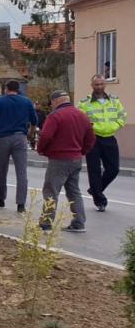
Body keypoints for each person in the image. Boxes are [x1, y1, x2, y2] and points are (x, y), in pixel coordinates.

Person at [36, 90, 95, 232]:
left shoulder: (55, 116)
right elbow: (91, 138)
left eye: (51, 103)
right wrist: (82, 151)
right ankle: (79, 223)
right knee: (74, 191)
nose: (51, 105)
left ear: (55, 101)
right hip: (76, 158)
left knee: (51, 191)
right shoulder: (82, 115)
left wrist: (41, 149)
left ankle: (46, 223)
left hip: (59, 159)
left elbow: (46, 136)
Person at [0, 80, 39, 212]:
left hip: (3, 139)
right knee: (22, 172)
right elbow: (34, 121)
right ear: (18, 89)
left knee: (2, 170)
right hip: (20, 138)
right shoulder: (26, 102)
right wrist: (31, 134)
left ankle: (0, 198)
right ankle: (21, 204)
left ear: (6, 89)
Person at [78, 74, 127, 212]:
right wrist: (91, 129)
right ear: (92, 86)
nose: (99, 87)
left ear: (105, 84)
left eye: (101, 84)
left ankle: (95, 189)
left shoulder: (114, 101)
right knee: (94, 171)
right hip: (93, 139)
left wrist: (116, 125)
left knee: (113, 169)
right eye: (96, 84)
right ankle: (100, 201)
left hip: (110, 138)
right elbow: (80, 120)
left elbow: (122, 115)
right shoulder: (84, 103)